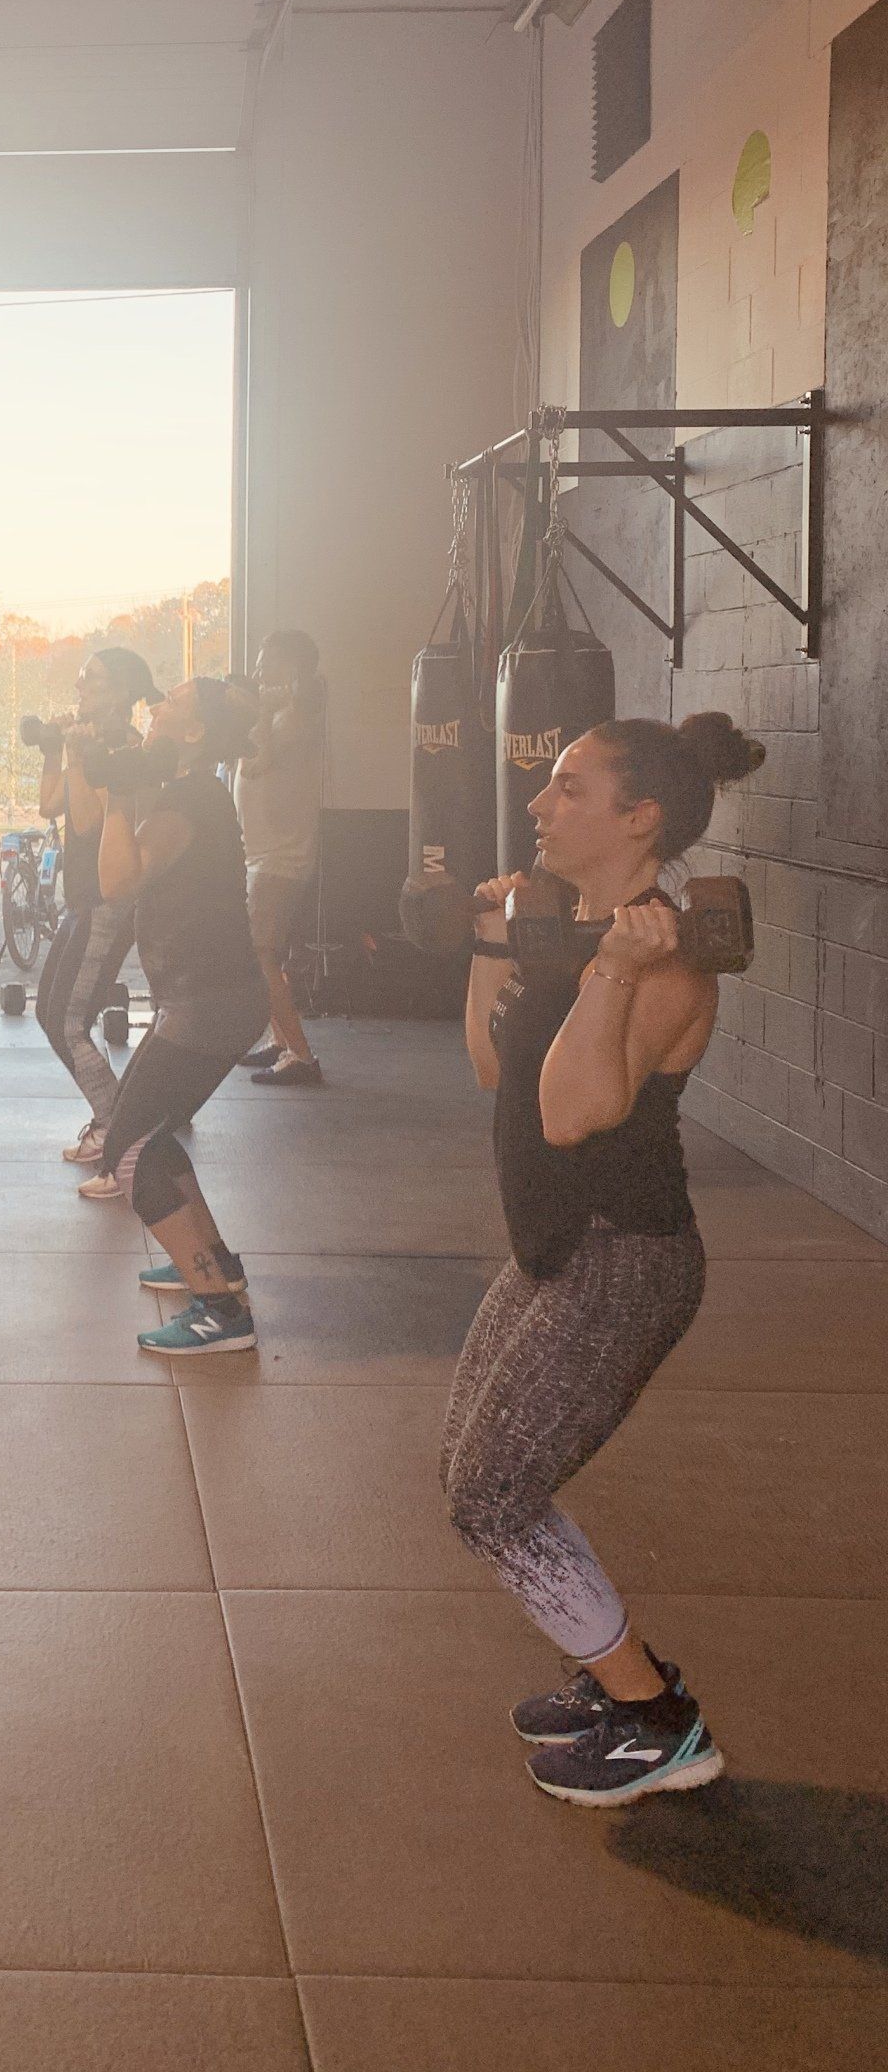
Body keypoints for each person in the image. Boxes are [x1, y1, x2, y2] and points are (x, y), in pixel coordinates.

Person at [445, 711, 765, 1805]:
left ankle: (656, 1722)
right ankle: (613, 1674)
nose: (539, 804)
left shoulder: (664, 962)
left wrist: (614, 972)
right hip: (554, 1249)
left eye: (570, 788)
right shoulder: (572, 932)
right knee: (475, 1477)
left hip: (623, 1260)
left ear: (641, 819)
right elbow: (494, 1069)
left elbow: (573, 1113)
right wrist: (492, 941)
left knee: (493, 1495)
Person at [82, 675, 267, 1357]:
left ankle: (219, 1309)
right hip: (206, 999)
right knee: (151, 1137)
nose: (155, 706)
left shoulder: (190, 798)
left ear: (193, 732)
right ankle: (213, 1261)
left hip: (208, 1004)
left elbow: (116, 880)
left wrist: (113, 793)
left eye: (173, 703)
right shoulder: (191, 791)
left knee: (127, 1151)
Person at [33, 645, 157, 1161]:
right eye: (81, 677)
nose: (80, 686)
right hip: (81, 900)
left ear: (122, 693)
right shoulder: (91, 743)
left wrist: (78, 756)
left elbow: (86, 823)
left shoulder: (122, 749)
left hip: (107, 903)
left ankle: (115, 1127)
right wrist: (54, 752)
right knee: (48, 1013)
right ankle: (128, 1117)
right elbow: (50, 805)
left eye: (94, 679)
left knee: (67, 1023)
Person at [236, 628, 327, 1087]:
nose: (257, 673)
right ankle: (279, 1040)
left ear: (289, 667)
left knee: (261, 955)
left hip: (280, 860)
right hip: (262, 855)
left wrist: (261, 709)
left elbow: (252, 763)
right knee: (263, 955)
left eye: (264, 663)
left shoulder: (295, 717)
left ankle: (302, 1056)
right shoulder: (280, 714)